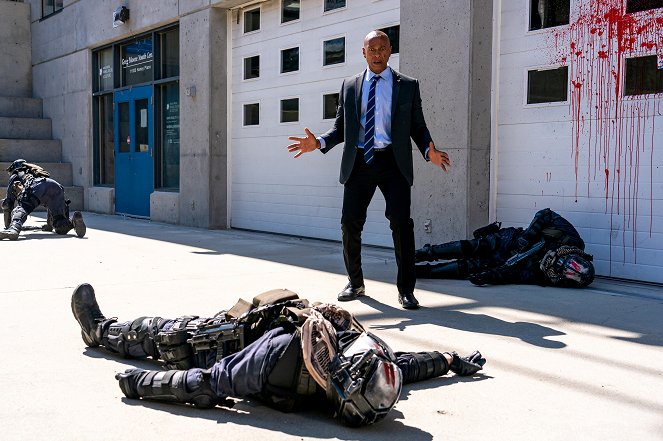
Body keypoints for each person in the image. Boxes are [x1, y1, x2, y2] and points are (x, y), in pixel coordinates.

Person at [71, 283, 486, 427]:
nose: (351, 339)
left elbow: (207, 385)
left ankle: (99, 331)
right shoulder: (355, 382)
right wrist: (449, 360)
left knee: (167, 336)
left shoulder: (283, 354)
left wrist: (139, 384)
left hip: (222, 344)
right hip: (260, 323)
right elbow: (405, 368)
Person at [287, 30, 451, 310]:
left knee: (402, 225)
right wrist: (320, 142)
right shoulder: (350, 85)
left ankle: (406, 290)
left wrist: (428, 151)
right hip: (360, 161)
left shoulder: (408, 85)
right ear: (363, 53)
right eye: (371, 49)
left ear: (390, 50)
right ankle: (355, 282)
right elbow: (341, 128)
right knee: (350, 223)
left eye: (382, 48)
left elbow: (417, 125)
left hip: (393, 162)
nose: (377, 53)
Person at [415, 208, 595, 287]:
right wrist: (528, 236)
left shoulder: (552, 278)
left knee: (468, 268)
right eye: (563, 260)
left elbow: (519, 275)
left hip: (507, 260)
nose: (556, 262)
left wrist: (491, 276)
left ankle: (419, 272)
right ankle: (420, 254)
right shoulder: (571, 238)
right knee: (471, 246)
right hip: (509, 240)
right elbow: (546, 214)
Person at [1, 159, 86, 240]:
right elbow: (49, 202)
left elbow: (7, 204)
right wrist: (49, 226)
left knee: (22, 208)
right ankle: (73, 220)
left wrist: (9, 225)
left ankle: (14, 229)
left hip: (36, 187)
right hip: (55, 186)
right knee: (60, 225)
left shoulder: (16, 174)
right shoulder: (34, 171)